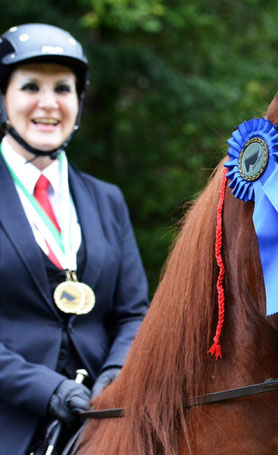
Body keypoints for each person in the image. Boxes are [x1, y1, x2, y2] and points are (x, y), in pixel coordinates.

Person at [0, 23, 149, 454]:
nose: (49, 104)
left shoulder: (107, 199)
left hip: (101, 421)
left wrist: (116, 371)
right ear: (3, 99)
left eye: (63, 89)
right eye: (31, 87)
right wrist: (47, 389)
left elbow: (133, 313)